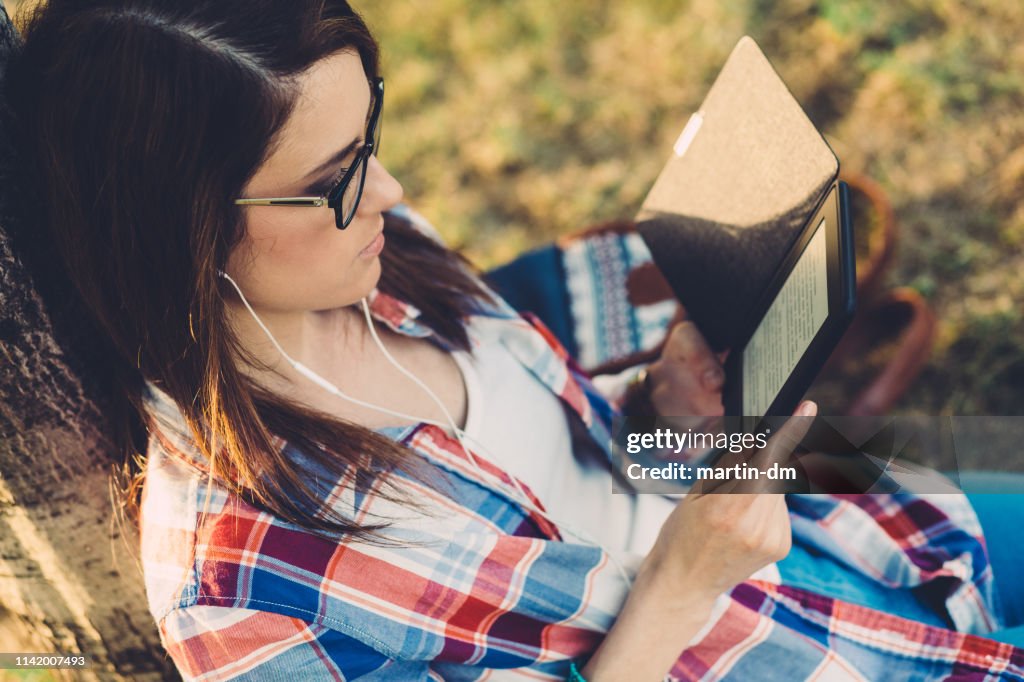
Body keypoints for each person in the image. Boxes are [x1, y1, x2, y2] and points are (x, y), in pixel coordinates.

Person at [4, 1, 1024, 679]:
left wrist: (655, 414)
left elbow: (567, 452)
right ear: (172, 228)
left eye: (372, 140)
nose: (393, 196)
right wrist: (678, 583)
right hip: (757, 644)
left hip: (819, 514)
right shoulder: (234, 592)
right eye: (334, 182)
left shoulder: (377, 253)